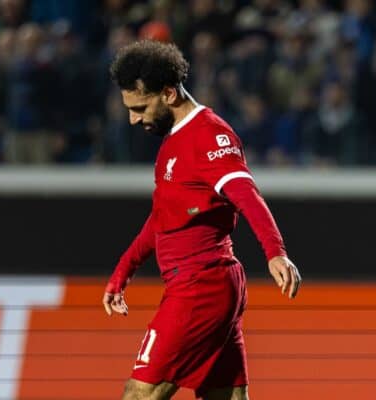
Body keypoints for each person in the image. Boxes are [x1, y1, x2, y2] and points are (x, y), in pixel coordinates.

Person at [102, 40, 302, 400]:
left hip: (199, 289)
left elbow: (247, 196)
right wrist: (122, 273)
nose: (133, 119)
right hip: (209, 287)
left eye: (140, 108)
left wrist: (275, 251)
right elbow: (163, 218)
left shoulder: (210, 135)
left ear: (168, 93)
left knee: (139, 395)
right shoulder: (172, 141)